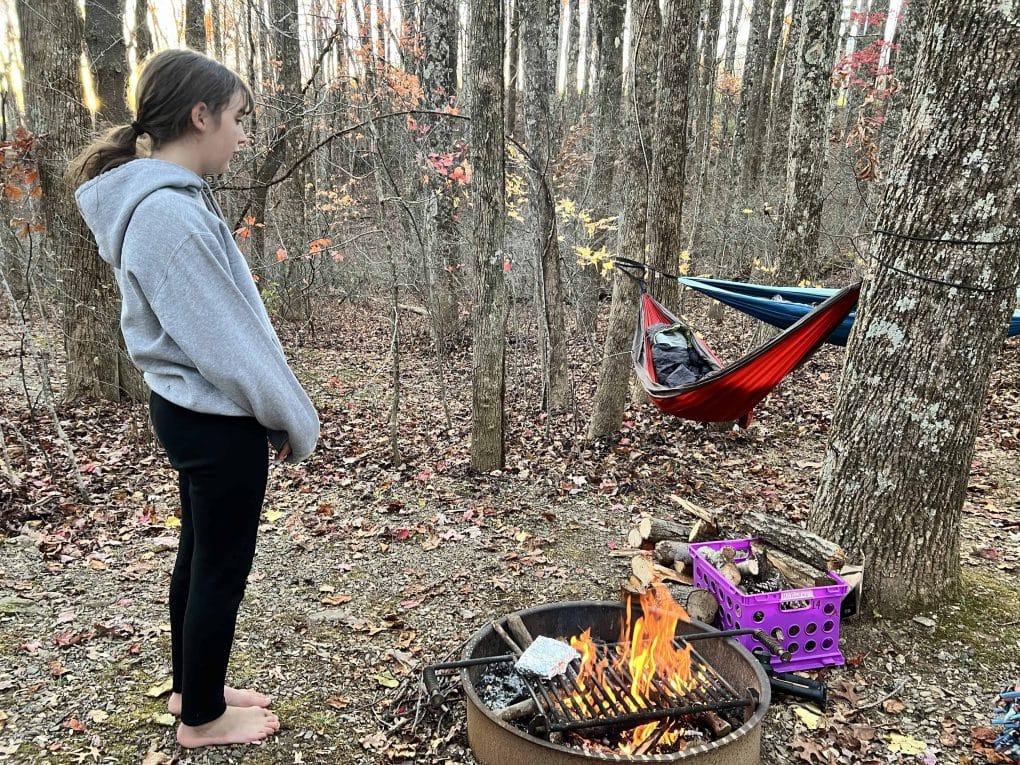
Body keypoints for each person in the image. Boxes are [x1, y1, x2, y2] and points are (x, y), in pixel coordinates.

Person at [70, 49, 320, 748]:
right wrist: (288, 415)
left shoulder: (167, 203)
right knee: (219, 563)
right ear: (200, 115)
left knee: (200, 552)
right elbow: (228, 341)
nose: (244, 135)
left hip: (194, 410)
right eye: (238, 118)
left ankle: (193, 687)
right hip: (213, 416)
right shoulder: (166, 216)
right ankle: (204, 720)